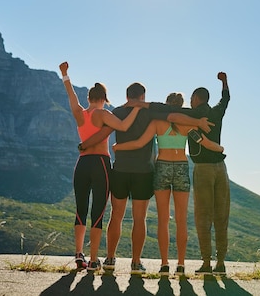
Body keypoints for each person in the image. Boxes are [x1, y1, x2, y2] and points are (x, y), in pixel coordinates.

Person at [79, 82, 214, 275]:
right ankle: (135, 262)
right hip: (143, 172)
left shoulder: (116, 112)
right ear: (142, 97)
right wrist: (198, 122)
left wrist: (84, 145)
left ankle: (110, 259)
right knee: (139, 218)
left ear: (127, 96)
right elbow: (174, 116)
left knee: (115, 216)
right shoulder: (150, 113)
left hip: (120, 170)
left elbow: (104, 133)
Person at [112, 92, 224, 277]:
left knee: (163, 219)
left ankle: (164, 264)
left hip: (162, 167)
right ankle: (180, 265)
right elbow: (204, 142)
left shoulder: (157, 123)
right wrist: (220, 148)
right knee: (181, 220)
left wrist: (119, 147)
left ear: (167, 105)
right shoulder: (188, 124)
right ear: (181, 106)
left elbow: (140, 143)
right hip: (181, 166)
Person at [59, 62, 142, 272]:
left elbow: (71, 96)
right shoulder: (103, 114)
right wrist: (136, 109)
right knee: (98, 211)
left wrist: (65, 74)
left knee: (80, 210)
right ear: (104, 99)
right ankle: (94, 260)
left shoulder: (80, 113)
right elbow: (123, 126)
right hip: (100, 164)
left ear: (88, 98)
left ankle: (79, 254)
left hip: (82, 164)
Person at [145, 72, 230, 275]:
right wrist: (224, 82)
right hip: (220, 168)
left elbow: (170, 113)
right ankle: (219, 263)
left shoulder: (191, 116)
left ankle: (203, 263)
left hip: (202, 169)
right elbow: (225, 99)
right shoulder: (216, 112)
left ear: (195, 99)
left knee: (202, 215)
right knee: (221, 216)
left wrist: (142, 105)